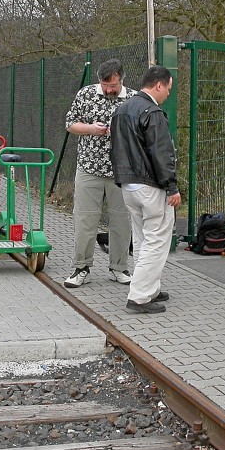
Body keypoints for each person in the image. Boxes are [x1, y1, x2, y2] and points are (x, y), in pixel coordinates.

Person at [110, 65, 181, 314]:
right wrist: (171, 186)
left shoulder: (122, 109)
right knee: (156, 240)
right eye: (168, 89)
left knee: (141, 238)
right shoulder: (153, 112)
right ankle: (140, 296)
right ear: (159, 85)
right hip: (151, 185)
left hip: (128, 184)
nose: (168, 94)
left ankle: (150, 288)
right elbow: (162, 153)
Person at [63, 59, 136, 289]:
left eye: (113, 85)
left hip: (121, 171)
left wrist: (120, 131)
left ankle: (119, 268)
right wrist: (91, 129)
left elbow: (141, 132)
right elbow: (70, 124)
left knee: (121, 221)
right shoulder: (85, 94)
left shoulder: (133, 98)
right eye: (105, 85)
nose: (109, 90)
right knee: (85, 219)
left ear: (121, 80)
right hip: (89, 168)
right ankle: (81, 267)